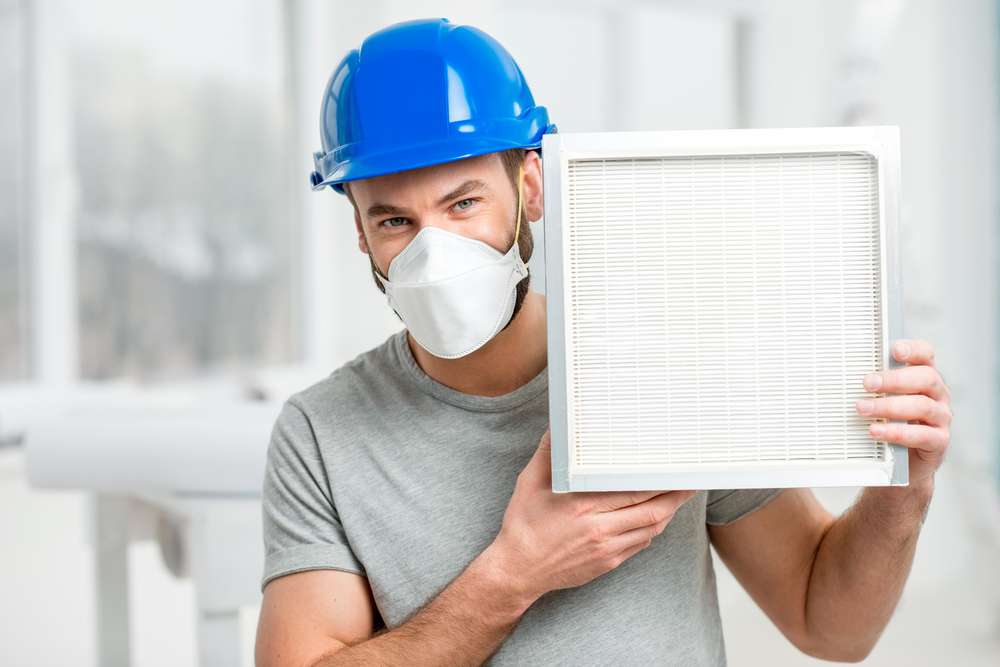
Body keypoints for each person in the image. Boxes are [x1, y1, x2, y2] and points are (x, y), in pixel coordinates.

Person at [254, 17, 952, 667]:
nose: (434, 255)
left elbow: (828, 621)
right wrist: (514, 572)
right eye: (395, 221)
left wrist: (903, 492)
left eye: (463, 203)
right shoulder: (323, 432)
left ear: (529, 187)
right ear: (358, 231)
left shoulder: (669, 357)